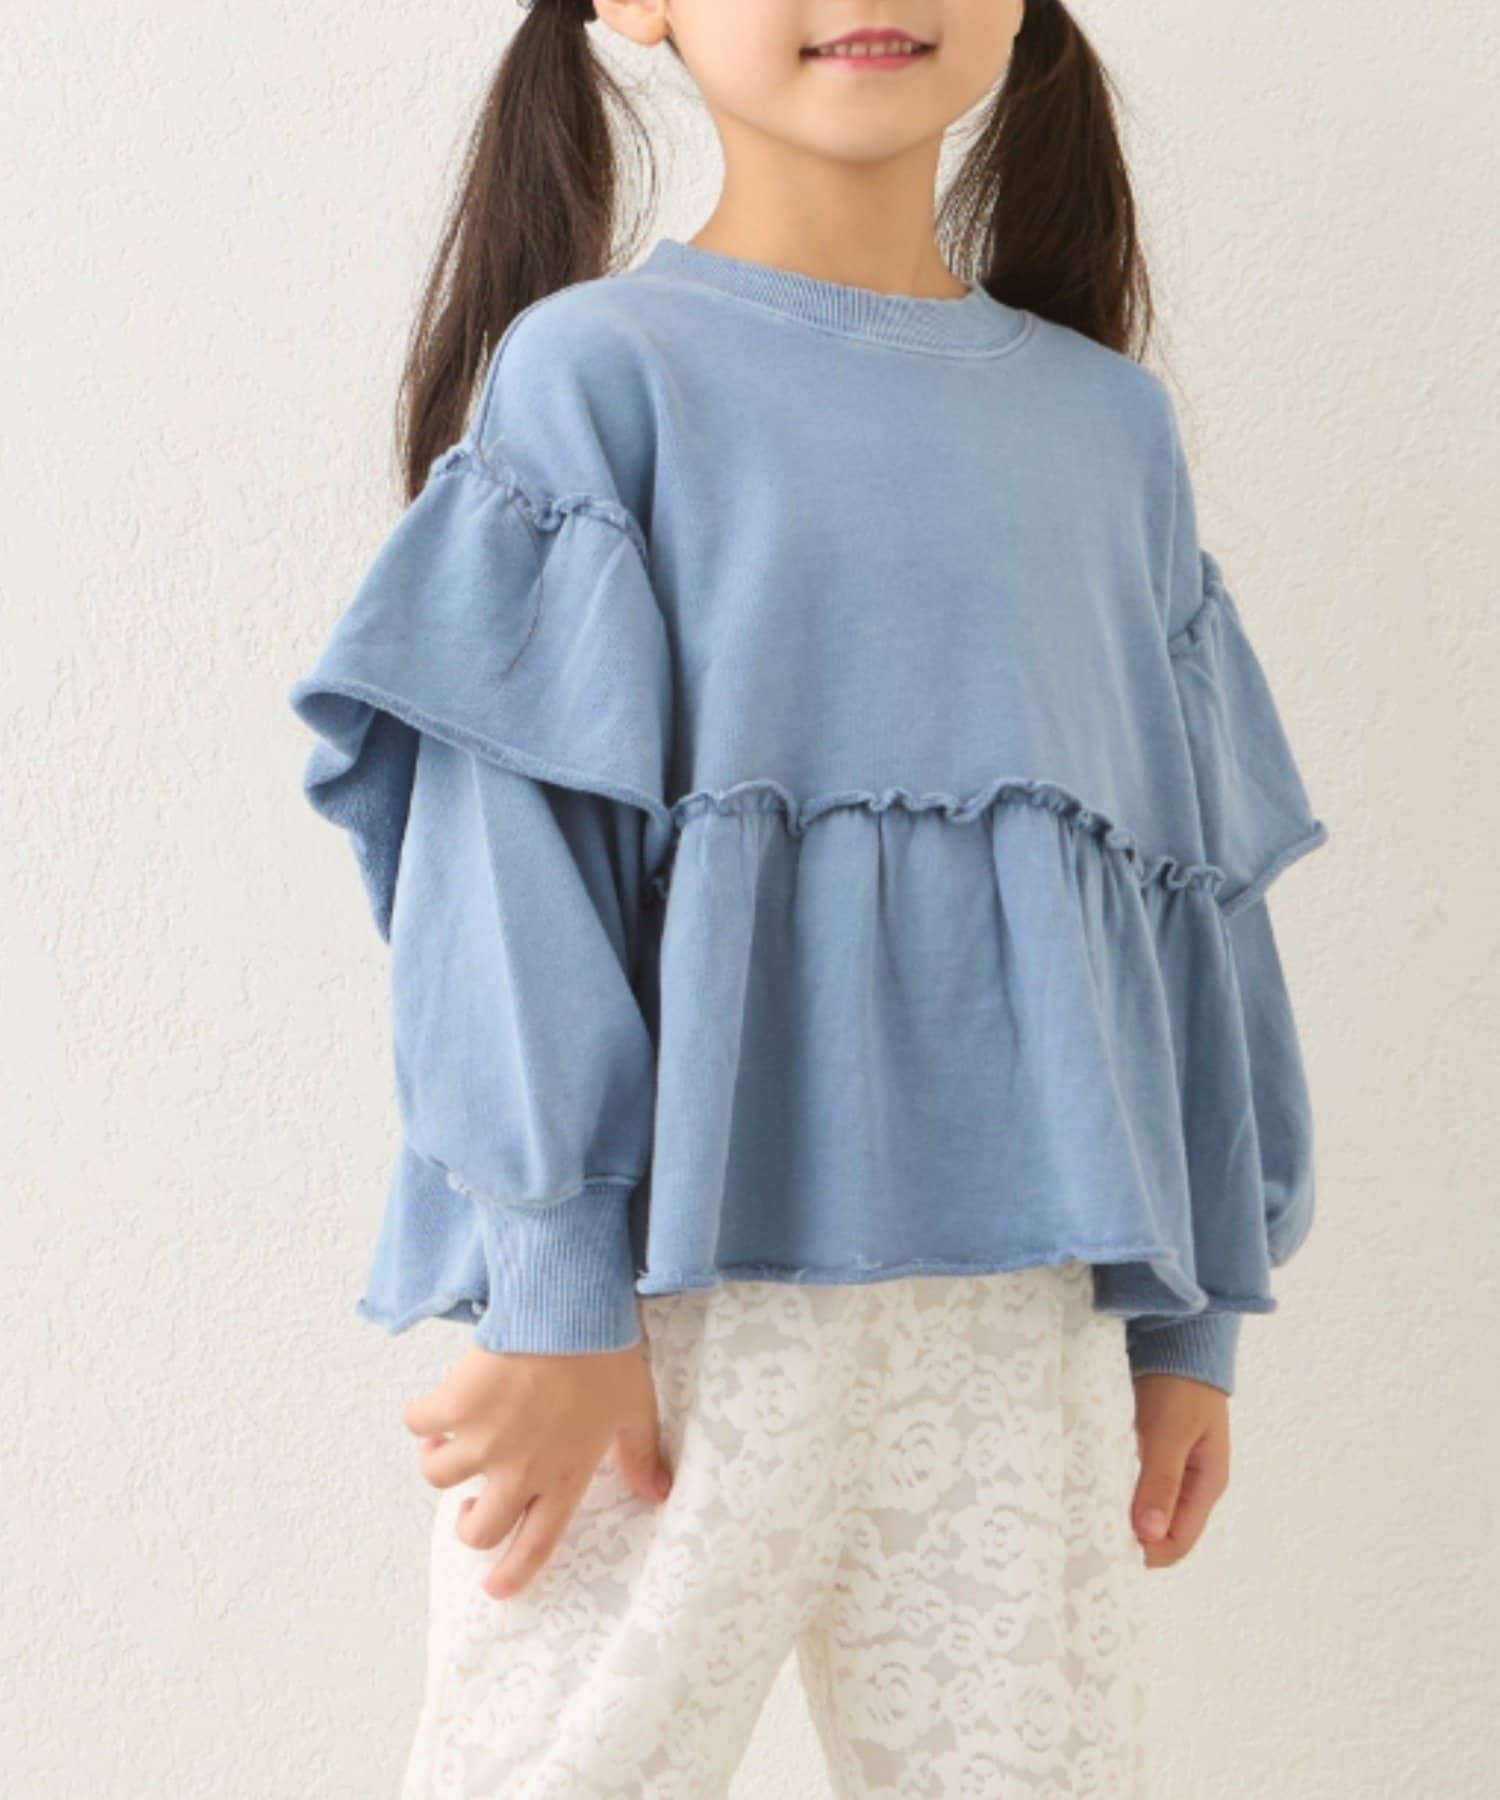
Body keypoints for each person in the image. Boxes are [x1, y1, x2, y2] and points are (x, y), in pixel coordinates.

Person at [287, 1, 1331, 1793]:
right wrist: (556, 1288)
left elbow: (1190, 893)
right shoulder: (600, 376)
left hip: (1026, 1323)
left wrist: (1193, 1316)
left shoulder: (1109, 432)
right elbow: (507, 858)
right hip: (660, 1317)